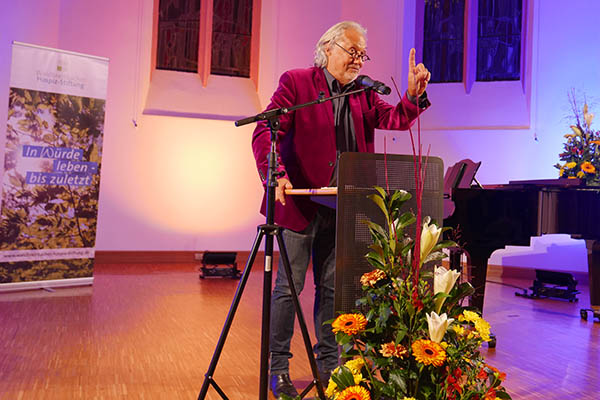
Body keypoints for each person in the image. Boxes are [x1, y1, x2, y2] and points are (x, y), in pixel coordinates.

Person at [251, 20, 431, 399]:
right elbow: (266, 131)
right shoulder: (297, 83)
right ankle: (278, 369)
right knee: (289, 288)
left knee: (333, 291)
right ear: (328, 47)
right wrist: (276, 174)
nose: (359, 59)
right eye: (353, 50)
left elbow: (393, 119)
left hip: (342, 206)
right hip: (298, 204)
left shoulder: (364, 94)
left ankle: (329, 368)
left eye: (363, 53)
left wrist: (412, 96)